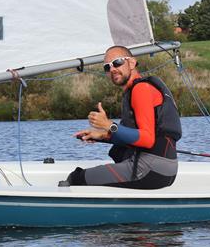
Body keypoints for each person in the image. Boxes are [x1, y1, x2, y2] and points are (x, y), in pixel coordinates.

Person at [65, 45, 181, 189]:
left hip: (149, 169)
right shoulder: (137, 89)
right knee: (117, 155)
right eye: (107, 67)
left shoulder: (141, 89)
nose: (112, 69)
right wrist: (103, 135)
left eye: (117, 62)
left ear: (132, 63)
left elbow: (147, 140)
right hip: (163, 170)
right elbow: (135, 138)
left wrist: (109, 125)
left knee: (76, 178)